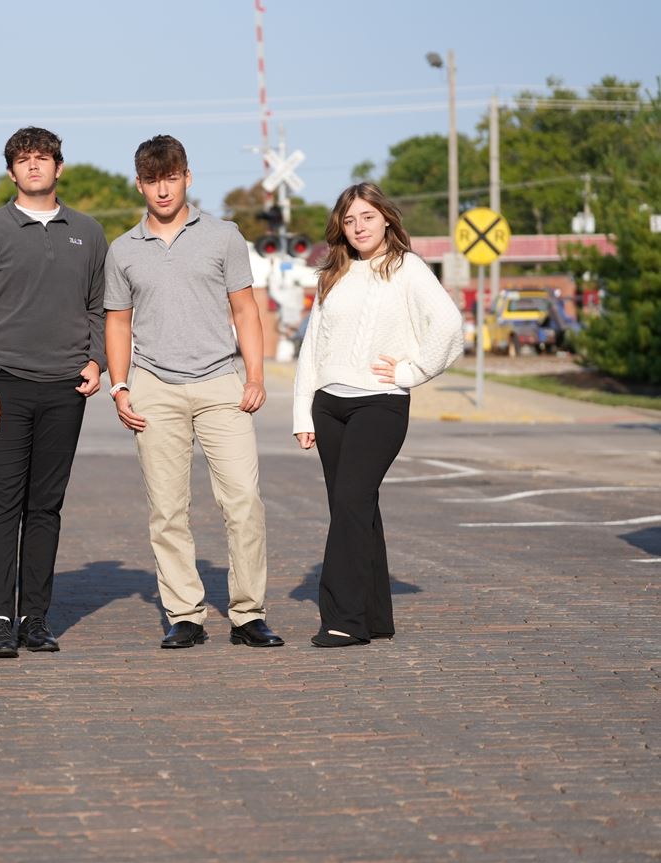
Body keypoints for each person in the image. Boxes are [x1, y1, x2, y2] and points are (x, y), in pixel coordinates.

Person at [104, 135, 283, 650]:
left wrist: (255, 376)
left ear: (187, 177)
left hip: (221, 383)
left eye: (172, 177)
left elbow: (246, 310)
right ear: (140, 184)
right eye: (153, 180)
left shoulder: (224, 236)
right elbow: (117, 323)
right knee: (167, 510)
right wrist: (120, 388)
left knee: (244, 502)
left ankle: (248, 614)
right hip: (154, 386)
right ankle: (185, 614)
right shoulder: (123, 250)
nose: (163, 189)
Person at [0, 126, 107, 658]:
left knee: (45, 506)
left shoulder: (87, 232)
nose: (34, 167)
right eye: (24, 160)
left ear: (59, 167)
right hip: (2, 388)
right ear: (11, 172)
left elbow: (98, 307)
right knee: (2, 505)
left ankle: (34, 618)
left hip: (65, 388)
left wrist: (98, 360)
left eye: (43, 159)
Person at [293, 182, 463, 647]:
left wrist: (411, 370)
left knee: (350, 501)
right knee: (354, 509)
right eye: (349, 221)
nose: (358, 227)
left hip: (380, 403)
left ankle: (344, 619)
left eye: (366, 217)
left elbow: (449, 326)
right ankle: (376, 617)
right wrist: (302, 414)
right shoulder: (332, 273)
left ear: (385, 218)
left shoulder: (406, 268)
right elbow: (313, 346)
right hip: (329, 406)